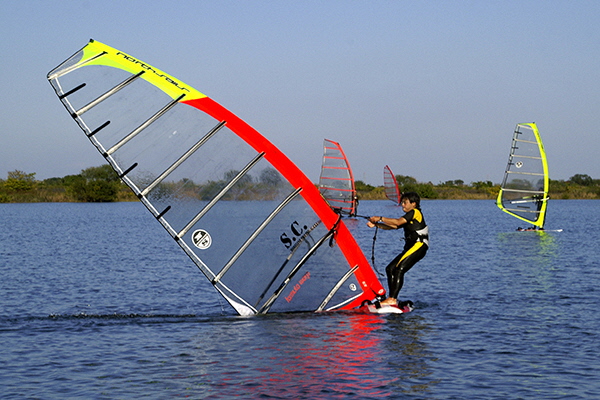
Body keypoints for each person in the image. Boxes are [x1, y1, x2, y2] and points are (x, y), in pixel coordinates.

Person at [367, 192, 429, 307]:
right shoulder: (409, 216)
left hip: (419, 246)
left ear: (413, 204)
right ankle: (392, 298)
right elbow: (394, 226)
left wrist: (380, 218)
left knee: (399, 269)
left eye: (405, 203)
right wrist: (376, 225)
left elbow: (397, 222)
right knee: (390, 269)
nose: (402, 205)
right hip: (411, 248)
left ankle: (392, 299)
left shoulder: (415, 212)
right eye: (402, 202)